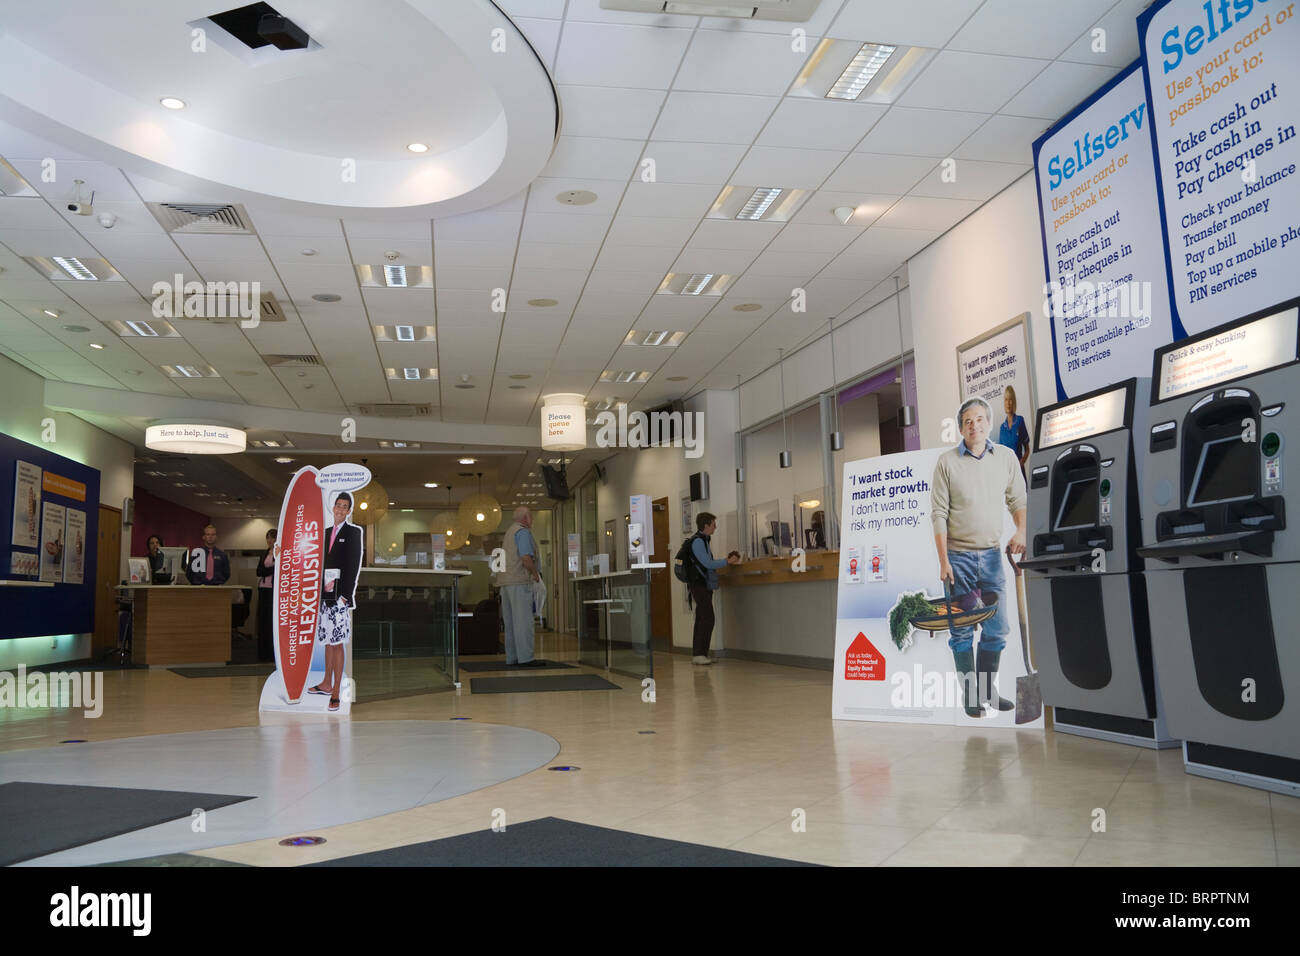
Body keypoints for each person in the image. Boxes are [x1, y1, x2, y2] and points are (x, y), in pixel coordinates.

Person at [932, 396, 1028, 718]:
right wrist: (943, 560)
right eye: (967, 422)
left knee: (996, 628)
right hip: (957, 559)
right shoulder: (947, 462)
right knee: (961, 630)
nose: (974, 426)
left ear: (989, 422)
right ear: (961, 428)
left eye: (979, 420)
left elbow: (1018, 499)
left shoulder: (1006, 458)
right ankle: (971, 695)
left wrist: (1021, 531)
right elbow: (938, 514)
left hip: (990, 556)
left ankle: (988, 690)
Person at [308, 493, 362, 712]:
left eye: (345, 507)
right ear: (333, 507)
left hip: (339, 597)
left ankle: (336, 690)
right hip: (324, 596)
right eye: (338, 505)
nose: (340, 509)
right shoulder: (325, 533)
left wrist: (345, 595)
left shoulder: (353, 532)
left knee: (337, 643)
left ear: (349, 511)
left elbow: (353, 564)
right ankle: (325, 683)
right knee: (328, 641)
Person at [686, 512, 741, 665]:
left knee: (701, 617)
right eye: (713, 524)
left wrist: (725, 561)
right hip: (699, 584)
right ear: (706, 525)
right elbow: (708, 564)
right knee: (708, 617)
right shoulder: (698, 541)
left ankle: (699, 654)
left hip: (701, 583)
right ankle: (699, 654)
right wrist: (727, 561)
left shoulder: (703, 540)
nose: (715, 527)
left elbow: (707, 562)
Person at [499, 506, 546, 667]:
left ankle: (512, 658)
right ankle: (526, 658)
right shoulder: (523, 532)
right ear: (525, 518)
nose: (532, 520)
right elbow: (525, 558)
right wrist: (535, 575)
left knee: (511, 623)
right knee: (524, 621)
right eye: (531, 517)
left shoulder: (509, 532)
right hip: (519, 581)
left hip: (505, 583)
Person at [997, 385, 1032, 477]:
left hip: (1019, 472)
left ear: (1014, 402)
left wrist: (1020, 464)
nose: (1008, 403)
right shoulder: (1002, 428)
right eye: (1006, 400)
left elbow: (1027, 450)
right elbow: (1000, 456)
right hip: (1007, 474)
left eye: (1010, 399)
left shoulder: (1020, 421)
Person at [255, 529, 277, 662]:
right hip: (263, 589)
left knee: (271, 622)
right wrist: (270, 570)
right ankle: (262, 653)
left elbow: (278, 569)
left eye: (272, 538)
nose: (270, 541)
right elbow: (259, 572)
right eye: (268, 538)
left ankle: (272, 653)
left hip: (274, 591)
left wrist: (266, 571)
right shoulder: (264, 553)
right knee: (262, 621)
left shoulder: (281, 553)